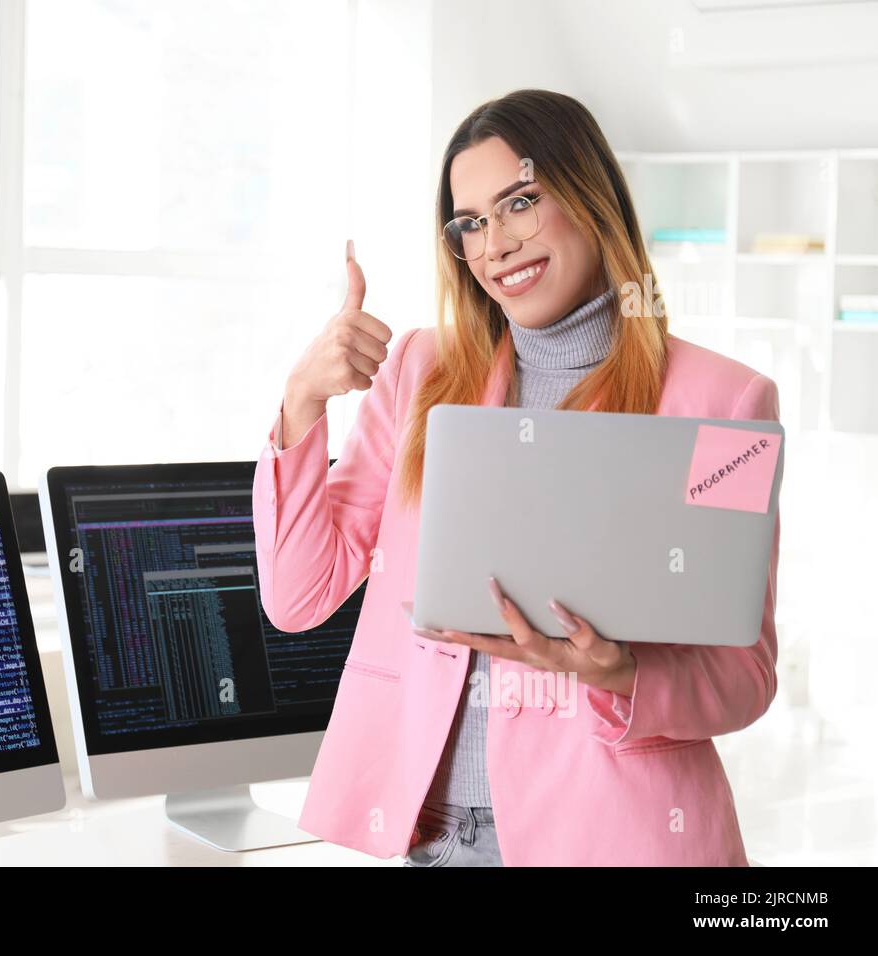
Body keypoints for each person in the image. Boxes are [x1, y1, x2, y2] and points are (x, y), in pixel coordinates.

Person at [253, 89, 781, 866]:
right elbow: (297, 597)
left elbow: (746, 674)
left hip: (616, 841)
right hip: (433, 839)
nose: (494, 243)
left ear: (590, 199)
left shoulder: (726, 404)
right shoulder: (420, 372)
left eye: (521, 203)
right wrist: (302, 402)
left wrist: (624, 671)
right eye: (470, 222)